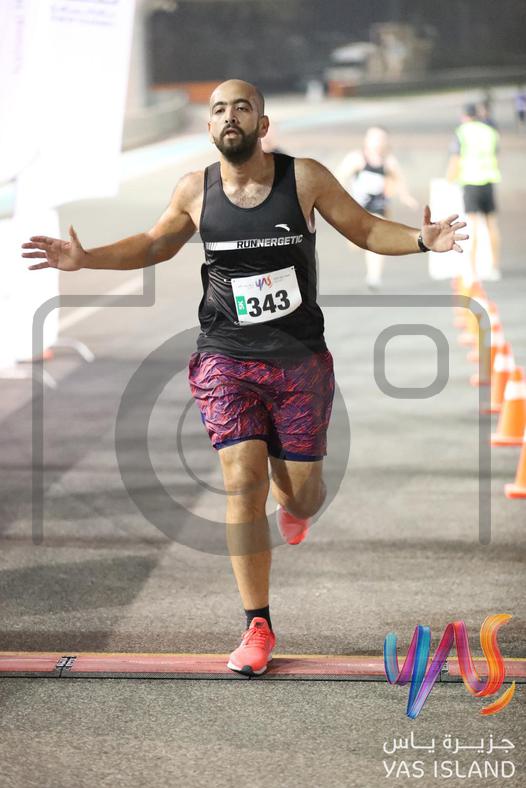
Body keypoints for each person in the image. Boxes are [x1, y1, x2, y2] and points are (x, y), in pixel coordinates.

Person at [22, 79, 467, 677]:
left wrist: (420, 240)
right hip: (225, 357)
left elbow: (363, 228)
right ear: (210, 127)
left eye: (242, 107)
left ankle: (295, 503)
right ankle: (257, 623)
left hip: (299, 361)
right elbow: (153, 244)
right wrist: (88, 259)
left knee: (302, 494)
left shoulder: (303, 178)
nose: (229, 116)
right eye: (218, 109)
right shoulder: (195, 190)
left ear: (262, 123)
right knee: (241, 479)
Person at [336, 126, 418, 290]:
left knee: (377, 238)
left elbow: (399, 180)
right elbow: (339, 177)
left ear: (386, 142)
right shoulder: (357, 158)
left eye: (381, 139)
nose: (377, 142)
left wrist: (406, 197)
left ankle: (374, 277)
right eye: (374, 138)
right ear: (366, 140)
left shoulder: (389, 162)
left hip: (378, 208)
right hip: (357, 208)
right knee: (356, 244)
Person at [447, 103, 501, 281]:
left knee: (473, 226)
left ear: (464, 116)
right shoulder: (490, 131)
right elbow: (496, 155)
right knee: (492, 224)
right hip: (489, 180)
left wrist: (449, 179)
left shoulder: (462, 132)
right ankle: (495, 267)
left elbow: (456, 158)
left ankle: (472, 269)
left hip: (470, 181)